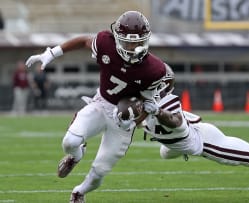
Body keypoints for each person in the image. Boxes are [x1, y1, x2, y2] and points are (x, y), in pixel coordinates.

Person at [25, 11, 167, 203]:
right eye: (127, 42)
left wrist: (133, 120)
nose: (132, 47)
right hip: (101, 103)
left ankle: (79, 192)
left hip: (124, 119)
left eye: (137, 42)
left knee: (100, 170)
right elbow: (84, 41)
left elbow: (147, 103)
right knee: (69, 142)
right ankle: (76, 156)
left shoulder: (155, 69)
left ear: (146, 40)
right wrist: (52, 53)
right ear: (117, 38)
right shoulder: (105, 42)